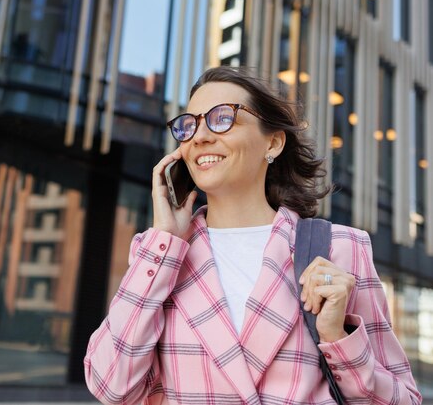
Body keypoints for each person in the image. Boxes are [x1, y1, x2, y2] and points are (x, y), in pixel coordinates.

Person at [83, 66, 422, 405]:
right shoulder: (158, 254)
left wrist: (337, 338)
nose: (199, 137)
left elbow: (403, 400)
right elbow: (111, 385)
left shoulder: (341, 249)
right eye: (189, 125)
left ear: (272, 142)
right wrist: (165, 241)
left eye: (222, 118)